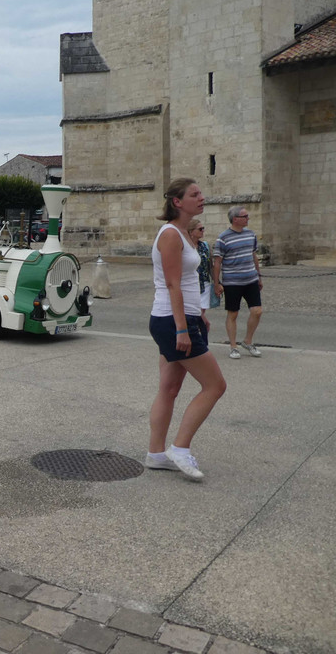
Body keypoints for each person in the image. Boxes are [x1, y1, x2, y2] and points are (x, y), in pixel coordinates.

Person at [146, 178, 227, 481]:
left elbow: (190, 282)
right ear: (177, 202)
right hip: (173, 321)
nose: (202, 197)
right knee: (215, 386)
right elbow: (172, 284)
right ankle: (180, 448)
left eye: (201, 193)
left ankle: (156, 454)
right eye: (195, 194)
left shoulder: (183, 233)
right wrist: (183, 328)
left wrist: (199, 315)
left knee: (169, 389)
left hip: (183, 318)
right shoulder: (170, 234)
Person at [212, 205, 263, 359]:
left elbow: (253, 256)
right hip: (232, 282)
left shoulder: (251, 234)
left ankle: (247, 341)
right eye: (245, 216)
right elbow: (217, 262)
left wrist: (259, 276)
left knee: (257, 311)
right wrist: (216, 283)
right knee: (233, 313)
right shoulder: (223, 238)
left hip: (251, 280)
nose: (248, 218)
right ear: (235, 219)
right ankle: (233, 346)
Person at [189, 218, 212, 317]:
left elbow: (210, 266)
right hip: (190, 283)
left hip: (204, 283)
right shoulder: (185, 247)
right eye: (200, 229)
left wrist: (217, 283)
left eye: (203, 228)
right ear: (191, 231)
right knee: (192, 312)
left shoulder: (205, 246)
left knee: (201, 312)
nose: (203, 231)